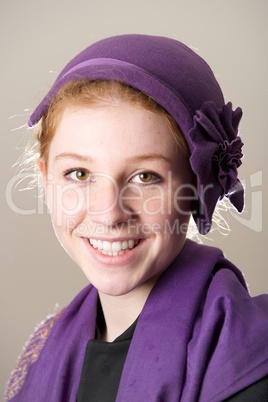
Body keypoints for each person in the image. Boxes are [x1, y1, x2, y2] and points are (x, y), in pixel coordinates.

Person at [4, 34, 268, 402]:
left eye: (145, 177)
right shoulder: (44, 347)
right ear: (46, 177)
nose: (109, 213)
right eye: (79, 174)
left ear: (197, 187)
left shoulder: (250, 360)